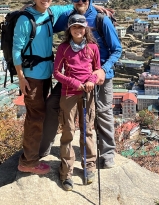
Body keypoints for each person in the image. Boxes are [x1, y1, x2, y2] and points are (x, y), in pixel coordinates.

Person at [40, 0, 122, 169]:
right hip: (73, 77)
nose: (80, 2)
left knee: (102, 111)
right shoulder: (68, 17)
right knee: (52, 104)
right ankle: (43, 148)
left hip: (101, 75)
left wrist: (102, 69)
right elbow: (47, 17)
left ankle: (107, 153)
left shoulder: (102, 20)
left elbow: (117, 49)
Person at [13, 0, 72, 175]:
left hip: (45, 74)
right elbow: (16, 51)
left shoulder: (50, 13)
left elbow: (73, 6)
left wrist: (93, 4)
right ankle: (28, 162)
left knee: (39, 114)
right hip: (32, 77)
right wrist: (21, 78)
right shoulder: (25, 19)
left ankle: (31, 155)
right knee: (35, 116)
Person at [53, 14, 100, 191]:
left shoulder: (93, 48)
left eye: (81, 27)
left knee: (87, 130)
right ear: (69, 29)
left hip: (88, 93)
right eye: (74, 27)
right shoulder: (63, 48)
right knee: (68, 132)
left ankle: (89, 167)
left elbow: (97, 69)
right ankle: (66, 172)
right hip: (69, 93)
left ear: (86, 29)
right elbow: (56, 72)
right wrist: (74, 83)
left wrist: (91, 80)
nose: (78, 30)